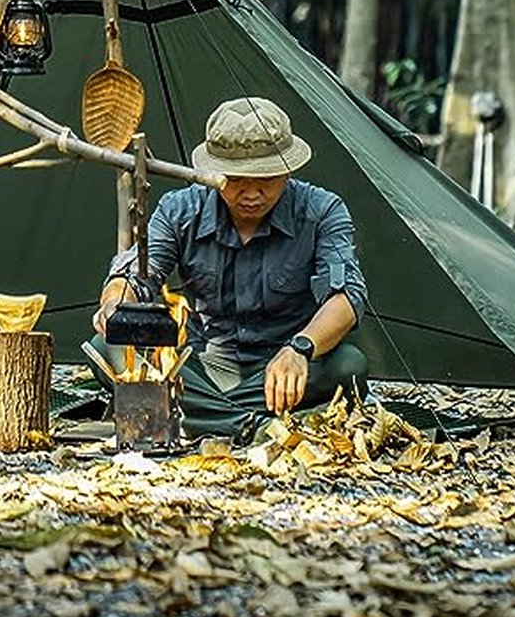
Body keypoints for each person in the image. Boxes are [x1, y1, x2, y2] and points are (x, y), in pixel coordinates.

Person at [89, 96, 370, 440]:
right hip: (197, 366)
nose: (251, 193)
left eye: (265, 180)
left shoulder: (322, 210)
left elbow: (346, 298)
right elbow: (135, 273)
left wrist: (300, 348)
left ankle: (192, 415)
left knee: (349, 366)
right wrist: (113, 303)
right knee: (106, 347)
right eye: (235, 180)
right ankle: (250, 426)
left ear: (287, 169)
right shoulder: (181, 209)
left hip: (282, 364)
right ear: (212, 173)